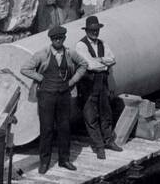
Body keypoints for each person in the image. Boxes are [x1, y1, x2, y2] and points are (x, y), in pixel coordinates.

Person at [23, 24, 87, 174]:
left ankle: (64, 160)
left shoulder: (70, 53)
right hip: (46, 96)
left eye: (60, 38)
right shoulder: (42, 54)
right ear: (51, 40)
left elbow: (84, 64)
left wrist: (73, 81)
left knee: (64, 128)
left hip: (64, 95)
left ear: (64, 38)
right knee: (46, 129)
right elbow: (25, 68)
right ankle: (44, 162)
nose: (58, 41)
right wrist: (40, 78)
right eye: (55, 38)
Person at [76, 15, 122, 160]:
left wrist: (99, 60)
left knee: (105, 112)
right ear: (87, 30)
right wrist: (102, 63)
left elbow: (112, 59)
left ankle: (108, 141)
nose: (95, 32)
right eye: (92, 30)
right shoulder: (81, 45)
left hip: (102, 82)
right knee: (90, 115)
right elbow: (90, 65)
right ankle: (99, 146)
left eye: (96, 30)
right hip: (88, 83)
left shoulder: (102, 43)